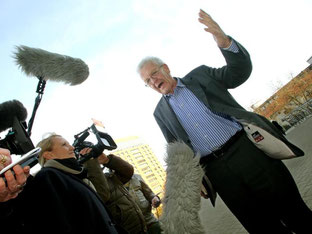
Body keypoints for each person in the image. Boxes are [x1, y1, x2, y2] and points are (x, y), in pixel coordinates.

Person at [137, 9, 312, 234]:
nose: (153, 81)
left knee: (293, 211)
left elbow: (238, 73)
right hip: (218, 172)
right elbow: (177, 149)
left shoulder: (200, 76)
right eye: (147, 81)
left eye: (154, 74)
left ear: (166, 69)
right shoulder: (159, 113)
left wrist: (224, 41)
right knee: (261, 226)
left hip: (247, 152)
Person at [1, 134, 119, 233]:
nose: (72, 147)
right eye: (64, 145)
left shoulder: (73, 176)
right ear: (48, 155)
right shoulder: (48, 177)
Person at [85, 151, 148, 234]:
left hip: (142, 228)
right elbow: (102, 195)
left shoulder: (108, 177)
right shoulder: (87, 183)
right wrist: (91, 163)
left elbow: (128, 172)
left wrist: (107, 160)